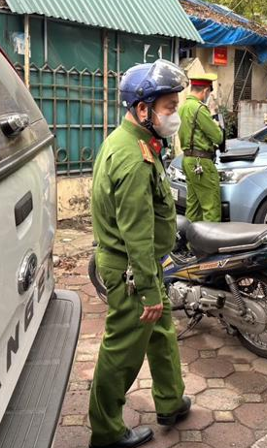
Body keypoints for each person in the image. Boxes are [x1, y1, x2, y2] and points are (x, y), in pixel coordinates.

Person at [89, 59, 191, 448]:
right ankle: (106, 431)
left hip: (147, 267)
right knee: (122, 351)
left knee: (162, 332)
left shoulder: (136, 142)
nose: (175, 115)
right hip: (133, 271)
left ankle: (169, 401)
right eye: (169, 107)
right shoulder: (133, 159)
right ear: (143, 109)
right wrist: (147, 288)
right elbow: (136, 232)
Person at [177, 74, 224, 222]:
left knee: (193, 207)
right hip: (201, 162)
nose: (208, 96)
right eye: (209, 93)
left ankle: (190, 243)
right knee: (211, 207)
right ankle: (209, 243)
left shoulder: (183, 108)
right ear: (204, 91)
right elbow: (217, 137)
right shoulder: (199, 108)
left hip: (188, 160)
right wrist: (216, 125)